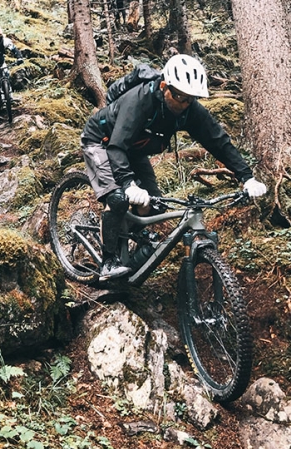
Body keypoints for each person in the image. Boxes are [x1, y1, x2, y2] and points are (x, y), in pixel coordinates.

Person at [80, 54, 267, 281]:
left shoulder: (189, 109)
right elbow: (117, 147)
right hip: (102, 141)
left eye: (190, 98)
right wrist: (128, 184)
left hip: (134, 150)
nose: (183, 103)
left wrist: (246, 177)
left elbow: (218, 142)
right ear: (163, 86)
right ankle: (108, 262)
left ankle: (127, 244)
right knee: (118, 198)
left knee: (155, 206)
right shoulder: (139, 100)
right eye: (178, 96)